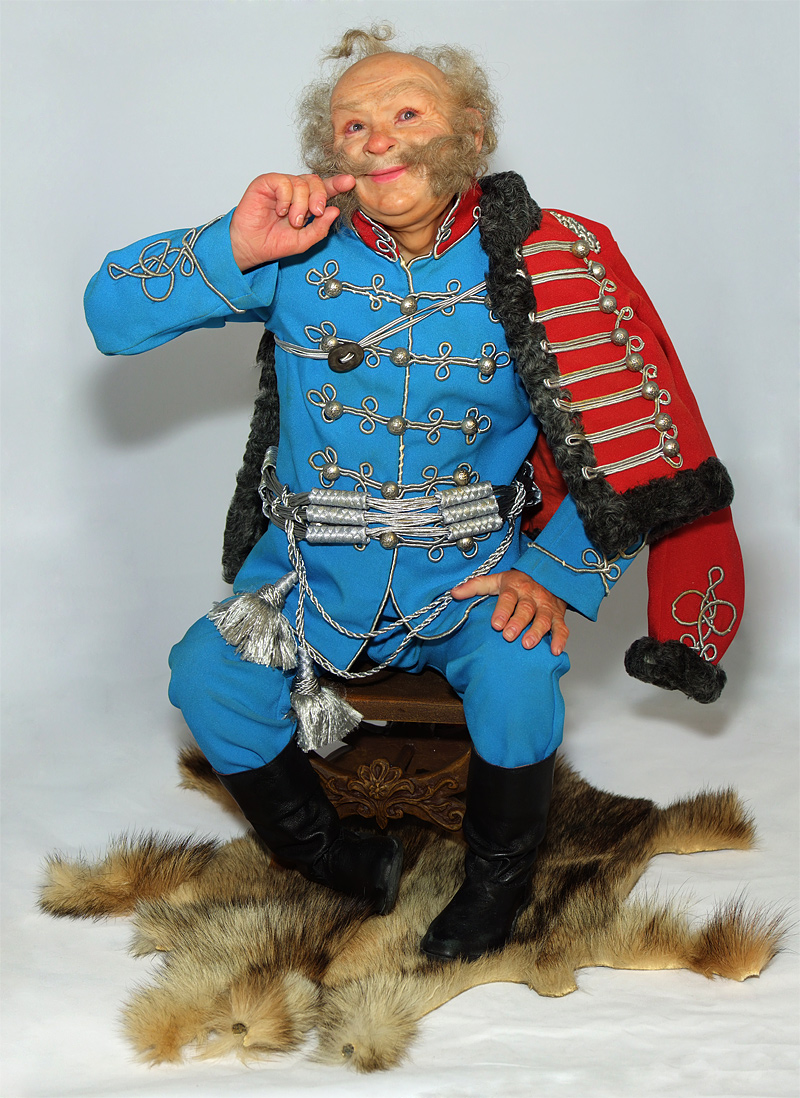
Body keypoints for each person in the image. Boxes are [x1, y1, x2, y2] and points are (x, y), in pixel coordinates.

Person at [84, 26, 743, 961]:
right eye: (353, 125)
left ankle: (495, 886)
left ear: (471, 133)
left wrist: (555, 576)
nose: (379, 139)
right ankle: (336, 859)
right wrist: (231, 243)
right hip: (310, 579)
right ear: (331, 154)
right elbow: (110, 316)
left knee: (520, 676)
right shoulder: (291, 250)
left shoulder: (550, 260)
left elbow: (628, 439)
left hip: (471, 574)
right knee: (206, 674)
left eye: (406, 113)